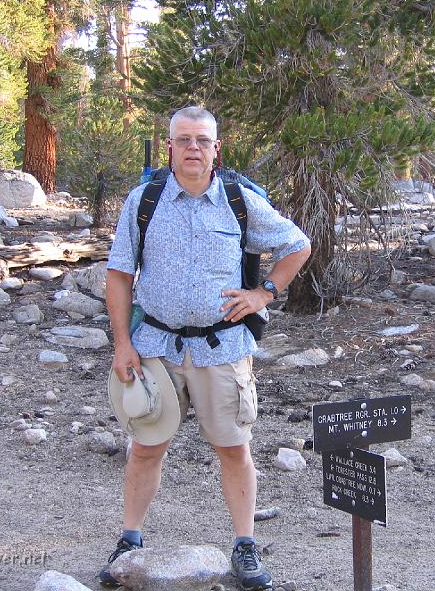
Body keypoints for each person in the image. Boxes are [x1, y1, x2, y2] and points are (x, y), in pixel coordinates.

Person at [99, 106, 311, 590]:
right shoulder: (144, 201)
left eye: (202, 140)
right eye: (183, 140)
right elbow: (118, 274)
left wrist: (264, 294)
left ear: (217, 149)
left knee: (234, 449)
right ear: (169, 147)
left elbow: (297, 245)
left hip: (224, 349)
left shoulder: (239, 201)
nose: (193, 148)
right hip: (155, 346)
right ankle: (130, 540)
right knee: (145, 448)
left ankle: (245, 546)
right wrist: (122, 344)